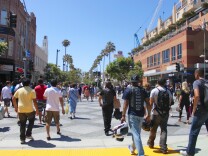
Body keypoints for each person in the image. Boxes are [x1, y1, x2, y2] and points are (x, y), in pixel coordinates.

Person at [180, 68, 208, 156]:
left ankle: (190, 152)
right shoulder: (207, 82)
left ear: (196, 74)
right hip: (207, 109)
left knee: (194, 131)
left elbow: (196, 95)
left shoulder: (197, 82)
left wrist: (194, 108)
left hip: (200, 109)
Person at [121, 75, 151, 156]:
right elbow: (148, 103)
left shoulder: (128, 90)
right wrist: (149, 114)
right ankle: (132, 147)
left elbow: (125, 104)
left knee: (136, 134)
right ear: (138, 81)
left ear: (131, 81)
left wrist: (123, 115)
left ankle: (141, 154)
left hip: (132, 115)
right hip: (141, 115)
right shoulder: (143, 90)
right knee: (136, 133)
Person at [147, 78, 172, 154]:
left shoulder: (154, 91)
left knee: (153, 129)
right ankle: (163, 147)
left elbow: (150, 103)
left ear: (157, 82)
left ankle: (151, 143)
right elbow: (170, 102)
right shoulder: (168, 91)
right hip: (165, 113)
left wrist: (148, 114)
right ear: (165, 83)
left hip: (155, 113)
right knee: (164, 130)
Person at [12, 78, 39, 144]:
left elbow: (13, 98)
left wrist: (15, 107)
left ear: (22, 83)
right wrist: (37, 110)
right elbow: (35, 101)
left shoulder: (19, 90)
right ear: (29, 83)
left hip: (21, 109)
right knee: (31, 122)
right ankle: (28, 134)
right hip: (30, 109)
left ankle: (22, 139)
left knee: (22, 124)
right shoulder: (32, 90)